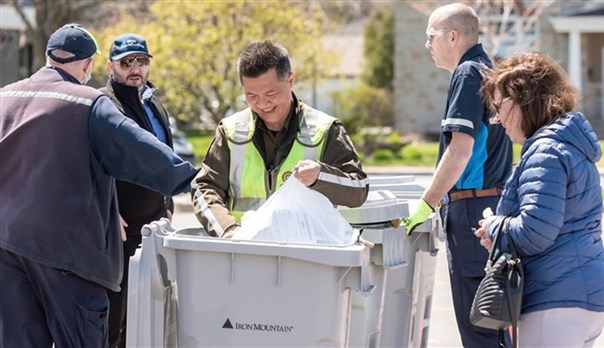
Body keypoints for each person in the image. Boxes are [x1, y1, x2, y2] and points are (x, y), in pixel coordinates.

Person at [0, 24, 198, 347]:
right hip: (68, 252)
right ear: (90, 64)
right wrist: (191, 178)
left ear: (50, 57)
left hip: (8, 246)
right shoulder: (88, 103)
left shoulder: (6, 96)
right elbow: (139, 151)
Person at [475, 52, 604, 347]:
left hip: (557, 300)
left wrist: (493, 226)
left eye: (499, 106)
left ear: (524, 101)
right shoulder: (566, 144)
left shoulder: (546, 152)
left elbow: (534, 232)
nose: (497, 118)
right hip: (582, 293)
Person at [401, 3, 513, 347]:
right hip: (492, 206)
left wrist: (426, 203)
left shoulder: (467, 73)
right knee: (493, 324)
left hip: (470, 212)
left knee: (479, 329)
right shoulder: (487, 70)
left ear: (453, 36)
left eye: (430, 36)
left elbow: (460, 150)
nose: (427, 44)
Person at [192, 40, 369, 237]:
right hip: (243, 253)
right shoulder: (230, 131)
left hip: (309, 254)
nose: (263, 103)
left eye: (271, 93)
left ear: (291, 81)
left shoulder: (326, 129)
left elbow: (359, 190)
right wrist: (228, 230)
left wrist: (321, 176)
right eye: (251, 95)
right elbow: (204, 187)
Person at [99, 33, 176, 348]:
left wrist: (168, 199)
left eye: (141, 61)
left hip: (155, 226)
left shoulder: (154, 103)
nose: (135, 68)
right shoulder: (103, 105)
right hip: (121, 231)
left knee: (147, 311)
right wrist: (106, 211)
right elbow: (90, 165)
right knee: (115, 318)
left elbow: (164, 156)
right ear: (111, 66)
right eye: (126, 62)